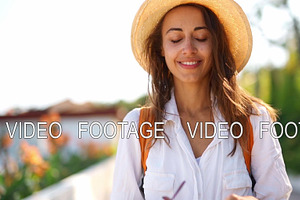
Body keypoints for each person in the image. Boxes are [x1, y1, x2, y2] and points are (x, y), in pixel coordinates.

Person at [111, 0, 293, 199]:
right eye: (175, 39)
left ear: (216, 43)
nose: (188, 48)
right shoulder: (138, 126)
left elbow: (277, 195)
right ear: (161, 49)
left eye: (201, 37)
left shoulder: (254, 120)